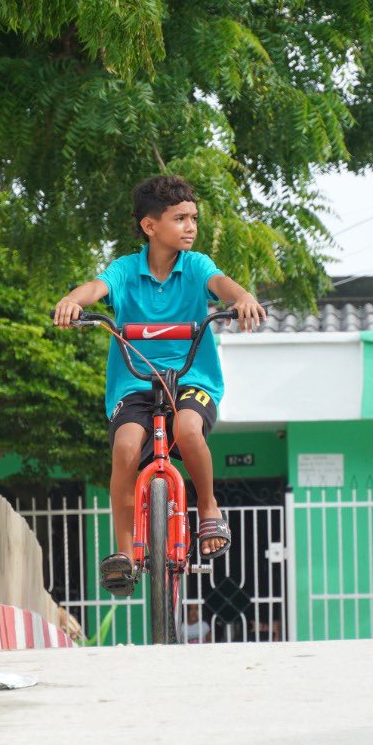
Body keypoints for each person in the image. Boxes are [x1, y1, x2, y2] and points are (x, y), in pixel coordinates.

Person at [53, 175, 266, 595]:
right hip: (134, 383)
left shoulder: (197, 265)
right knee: (126, 449)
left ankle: (207, 507)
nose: (191, 226)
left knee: (187, 430)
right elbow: (97, 287)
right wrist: (74, 301)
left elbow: (222, 285)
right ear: (150, 227)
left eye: (194, 218)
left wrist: (241, 297)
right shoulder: (126, 270)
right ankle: (124, 554)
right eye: (180, 218)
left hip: (192, 378)